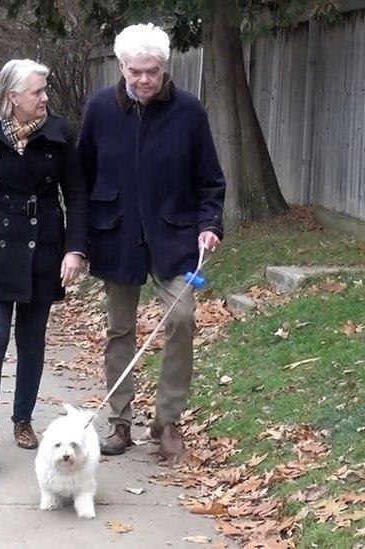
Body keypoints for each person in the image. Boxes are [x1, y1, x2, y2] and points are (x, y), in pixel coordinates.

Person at [78, 23, 226, 460]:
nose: (144, 79)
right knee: (119, 330)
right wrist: (81, 238)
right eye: (136, 71)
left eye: (153, 71)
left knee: (181, 318)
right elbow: (82, 177)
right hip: (117, 235)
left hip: (175, 237)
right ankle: (120, 423)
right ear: (121, 67)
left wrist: (210, 224)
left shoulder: (189, 112)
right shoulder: (101, 109)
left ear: (165, 68)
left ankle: (167, 421)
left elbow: (211, 181)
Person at [0, 59, 88, 461]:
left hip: (42, 248)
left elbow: (76, 196)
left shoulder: (59, 134)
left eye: (45, 91)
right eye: (37, 92)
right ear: (13, 97)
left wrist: (74, 249)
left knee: (31, 343)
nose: (45, 98)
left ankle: (23, 420)